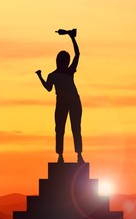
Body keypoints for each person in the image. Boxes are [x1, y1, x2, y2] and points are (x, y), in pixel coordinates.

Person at [35, 29, 85, 163]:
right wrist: (40, 77)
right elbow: (48, 88)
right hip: (64, 102)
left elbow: (77, 54)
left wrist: (71, 37)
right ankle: (61, 155)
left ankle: (78, 154)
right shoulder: (56, 75)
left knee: (74, 127)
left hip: (73, 101)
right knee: (60, 128)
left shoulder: (68, 72)